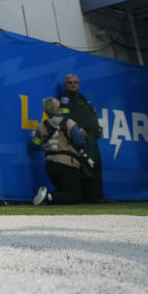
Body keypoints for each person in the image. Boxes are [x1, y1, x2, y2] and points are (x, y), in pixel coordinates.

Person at [31, 97, 87, 205]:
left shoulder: (41, 126)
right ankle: (47, 196)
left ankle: (47, 197)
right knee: (74, 197)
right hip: (67, 164)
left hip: (50, 165)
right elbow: (80, 143)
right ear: (58, 109)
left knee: (64, 193)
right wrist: (83, 136)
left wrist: (33, 138)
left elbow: (35, 146)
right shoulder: (69, 123)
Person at [59, 74, 103, 202]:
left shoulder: (83, 98)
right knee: (87, 166)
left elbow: (93, 115)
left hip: (93, 138)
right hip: (81, 140)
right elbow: (65, 117)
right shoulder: (64, 99)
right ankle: (90, 197)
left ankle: (99, 196)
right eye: (70, 82)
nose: (73, 84)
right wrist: (77, 128)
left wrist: (98, 128)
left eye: (76, 82)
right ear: (65, 85)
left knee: (97, 166)